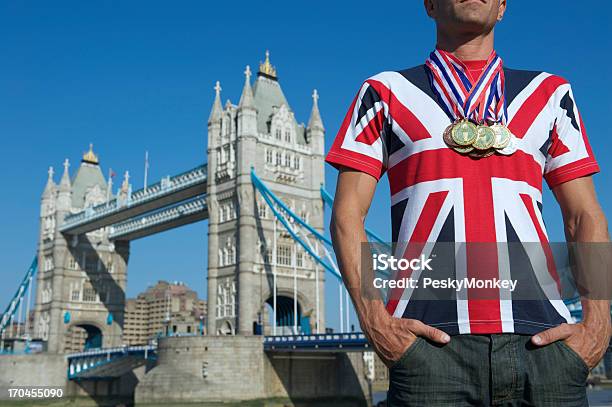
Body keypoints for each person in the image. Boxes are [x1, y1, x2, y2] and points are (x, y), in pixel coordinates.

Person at [326, 0, 611, 405]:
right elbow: (346, 215)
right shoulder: (382, 92)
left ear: (502, 7)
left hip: (545, 348)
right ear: (429, 5)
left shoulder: (551, 93)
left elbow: (585, 215)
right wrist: (376, 322)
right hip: (429, 350)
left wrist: (597, 325)